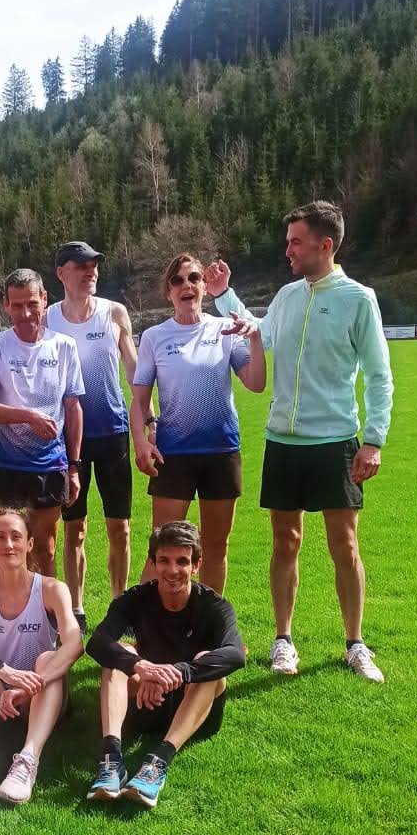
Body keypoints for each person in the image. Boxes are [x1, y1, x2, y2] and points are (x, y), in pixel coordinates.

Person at [218, 201, 393, 680]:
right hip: (283, 441)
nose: (288, 250)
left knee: (345, 545)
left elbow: (380, 375)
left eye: (296, 241)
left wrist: (373, 440)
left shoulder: (358, 299)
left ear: (325, 245)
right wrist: (224, 295)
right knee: (285, 541)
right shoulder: (287, 295)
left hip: (335, 441)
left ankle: (355, 643)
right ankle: (283, 640)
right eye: (288, 241)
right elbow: (260, 333)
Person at [84, 521, 245, 808]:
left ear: (196, 565)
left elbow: (235, 654)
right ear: (153, 563)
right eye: (164, 561)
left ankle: (159, 762)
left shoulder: (215, 606)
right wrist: (141, 667)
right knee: (120, 653)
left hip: (195, 709)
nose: (172, 570)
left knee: (208, 664)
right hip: (146, 701)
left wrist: (181, 672)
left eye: (182, 561)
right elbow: (97, 642)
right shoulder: (134, 599)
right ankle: (112, 759)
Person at [130, 253, 266, 594]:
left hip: (221, 452)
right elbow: (139, 400)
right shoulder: (154, 337)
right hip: (173, 454)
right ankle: (143, 622)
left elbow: (256, 382)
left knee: (215, 548)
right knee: (161, 548)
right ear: (168, 292)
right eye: (177, 280)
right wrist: (141, 442)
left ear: (204, 286)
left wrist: (255, 338)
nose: (186, 285)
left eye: (193, 278)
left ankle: (210, 622)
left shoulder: (224, 329)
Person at [0, 507, 83, 806]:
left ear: (30, 543)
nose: (8, 544)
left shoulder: (52, 589)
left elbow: (74, 643)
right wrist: (3, 671)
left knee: (48, 658)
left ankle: (28, 760)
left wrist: (30, 686)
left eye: (16, 536)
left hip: (40, 695)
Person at [46, 240, 138, 631]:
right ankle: (77, 609)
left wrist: (148, 418)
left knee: (120, 527)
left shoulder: (114, 312)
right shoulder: (48, 319)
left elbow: (134, 372)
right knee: (75, 528)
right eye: (81, 265)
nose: (91, 271)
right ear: (61, 273)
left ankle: (120, 606)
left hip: (113, 432)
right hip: (69, 440)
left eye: (94, 265)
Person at [0, 268, 85, 575]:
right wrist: (28, 416)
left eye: (32, 303)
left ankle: (45, 608)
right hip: (3, 465)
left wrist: (74, 466)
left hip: (49, 465)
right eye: (17, 305)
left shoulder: (64, 346)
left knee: (45, 551)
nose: (25, 313)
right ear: (6, 305)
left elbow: (73, 407)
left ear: (45, 300)